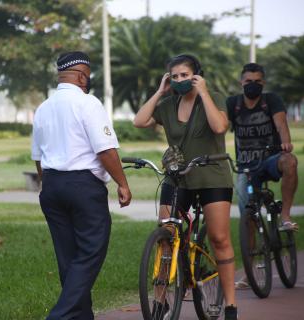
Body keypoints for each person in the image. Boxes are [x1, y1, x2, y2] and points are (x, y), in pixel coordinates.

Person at [134, 54, 238, 319]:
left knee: (219, 238)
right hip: (178, 176)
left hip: (212, 174)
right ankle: (161, 302)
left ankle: (230, 304)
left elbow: (220, 126)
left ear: (197, 75)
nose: (180, 80)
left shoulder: (212, 95)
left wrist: (203, 92)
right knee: (166, 235)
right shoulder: (168, 104)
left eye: (185, 75)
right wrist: (160, 92)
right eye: (175, 76)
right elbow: (139, 121)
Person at [31, 51, 132, 320]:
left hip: (51, 185)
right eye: (87, 76)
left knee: (68, 258)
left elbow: (38, 159)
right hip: (83, 187)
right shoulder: (88, 104)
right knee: (90, 252)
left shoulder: (43, 108)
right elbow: (105, 150)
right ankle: (60, 316)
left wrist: (49, 185)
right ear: (81, 76)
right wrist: (123, 183)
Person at [226, 62, 299, 290]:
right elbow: (221, 127)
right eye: (248, 82)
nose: (253, 86)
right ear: (241, 82)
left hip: (270, 160)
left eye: (258, 82)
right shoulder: (234, 104)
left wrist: (285, 141)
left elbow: (281, 123)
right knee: (247, 215)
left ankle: (285, 215)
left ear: (263, 83)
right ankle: (249, 271)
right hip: (246, 167)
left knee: (290, 162)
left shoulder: (271, 100)